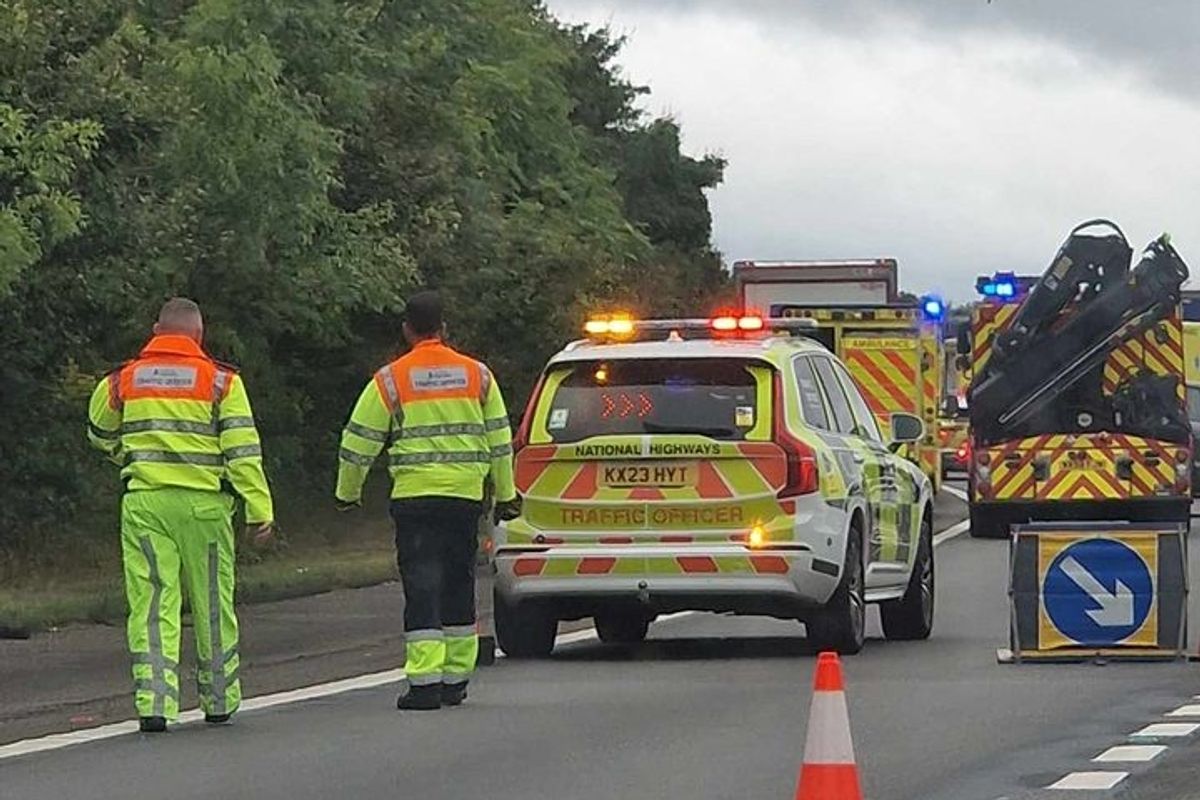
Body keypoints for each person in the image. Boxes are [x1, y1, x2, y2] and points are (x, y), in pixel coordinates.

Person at [87, 298, 274, 732]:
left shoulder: (123, 379)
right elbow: (243, 452)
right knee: (212, 603)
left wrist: (129, 455)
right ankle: (220, 699)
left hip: (146, 504)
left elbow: (98, 431)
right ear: (199, 335)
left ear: (156, 330)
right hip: (204, 508)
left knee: (152, 604)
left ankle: (154, 704)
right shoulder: (221, 383)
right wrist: (258, 509)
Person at [336, 290, 519, 711]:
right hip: (463, 498)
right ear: (444, 328)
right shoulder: (478, 376)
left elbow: (358, 439)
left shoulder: (391, 379)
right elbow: (499, 442)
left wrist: (348, 492)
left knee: (422, 585)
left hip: (415, 499)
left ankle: (424, 684)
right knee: (458, 582)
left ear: (406, 330)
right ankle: (455, 679)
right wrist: (505, 494)